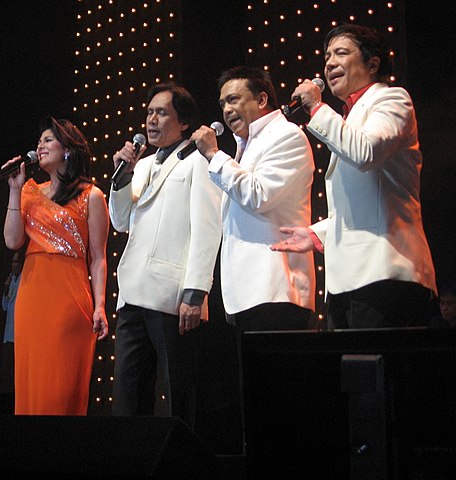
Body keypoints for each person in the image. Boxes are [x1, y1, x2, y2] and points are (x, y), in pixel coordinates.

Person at [270, 24, 436, 328]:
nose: (329, 62)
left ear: (372, 64)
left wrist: (316, 108)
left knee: (384, 373)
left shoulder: (391, 99)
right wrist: (316, 234)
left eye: (341, 53)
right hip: (347, 281)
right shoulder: (347, 117)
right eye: (327, 56)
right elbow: (365, 201)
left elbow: (365, 152)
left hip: (386, 274)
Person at [109, 82, 222, 427]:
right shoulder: (140, 166)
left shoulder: (198, 161)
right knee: (128, 395)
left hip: (173, 295)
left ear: (183, 121)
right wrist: (121, 178)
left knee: (178, 396)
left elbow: (207, 228)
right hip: (132, 293)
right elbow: (120, 220)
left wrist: (195, 292)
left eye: (161, 112)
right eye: (149, 112)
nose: (151, 120)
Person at [188, 66, 316, 332]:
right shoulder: (244, 147)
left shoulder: (286, 135)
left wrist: (214, 155)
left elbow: (258, 195)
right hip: (246, 295)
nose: (226, 110)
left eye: (233, 99)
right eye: (222, 103)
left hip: (276, 289)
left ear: (261, 100)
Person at [2, 117, 109, 415]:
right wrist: (14, 190)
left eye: (49, 140)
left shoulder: (92, 195)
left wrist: (100, 305)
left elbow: (99, 258)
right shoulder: (29, 192)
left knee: (61, 390)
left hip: (69, 297)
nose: (41, 145)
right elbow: (12, 241)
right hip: (32, 294)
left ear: (69, 150)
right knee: (31, 384)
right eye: (41, 140)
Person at [0, 250, 23, 393]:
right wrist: (6, 287)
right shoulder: (11, 280)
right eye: (12, 262)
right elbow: (5, 306)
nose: (13, 265)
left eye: (16, 262)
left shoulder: (23, 279)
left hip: (19, 334)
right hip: (8, 333)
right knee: (6, 370)